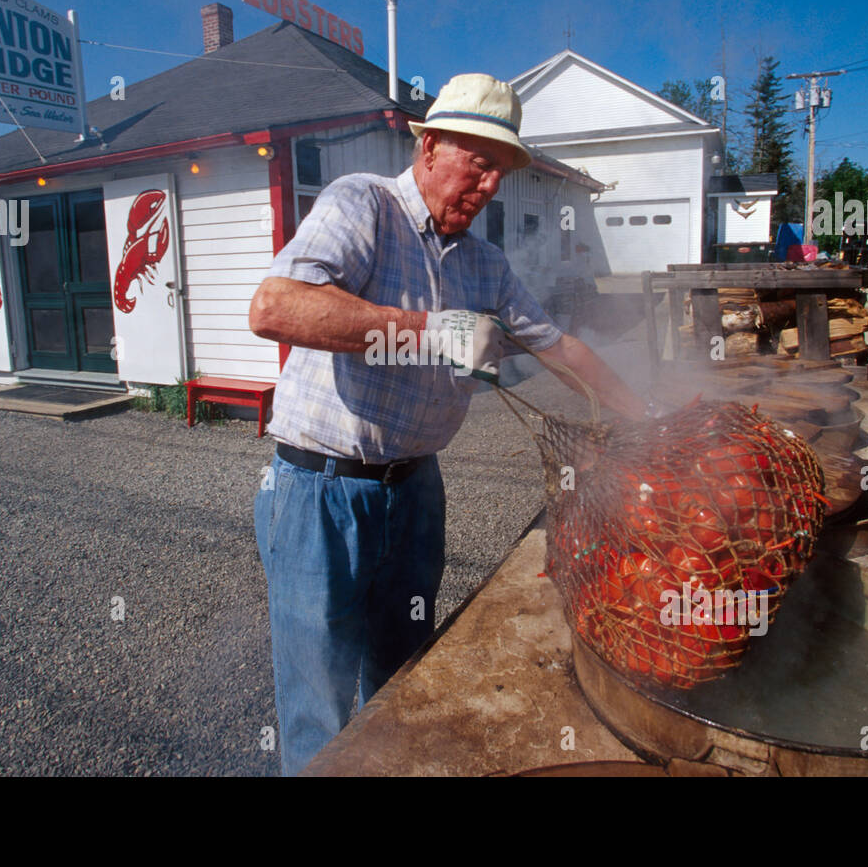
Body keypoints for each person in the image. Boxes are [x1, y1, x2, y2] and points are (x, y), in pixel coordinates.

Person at [248, 73, 645, 775]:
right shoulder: (363, 205)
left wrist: (650, 417)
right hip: (320, 493)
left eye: (501, 170)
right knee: (320, 700)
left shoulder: (485, 265)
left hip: (415, 494)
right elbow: (275, 308)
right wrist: (429, 332)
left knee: (408, 681)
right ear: (429, 148)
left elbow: (560, 348)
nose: (491, 184)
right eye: (480, 162)